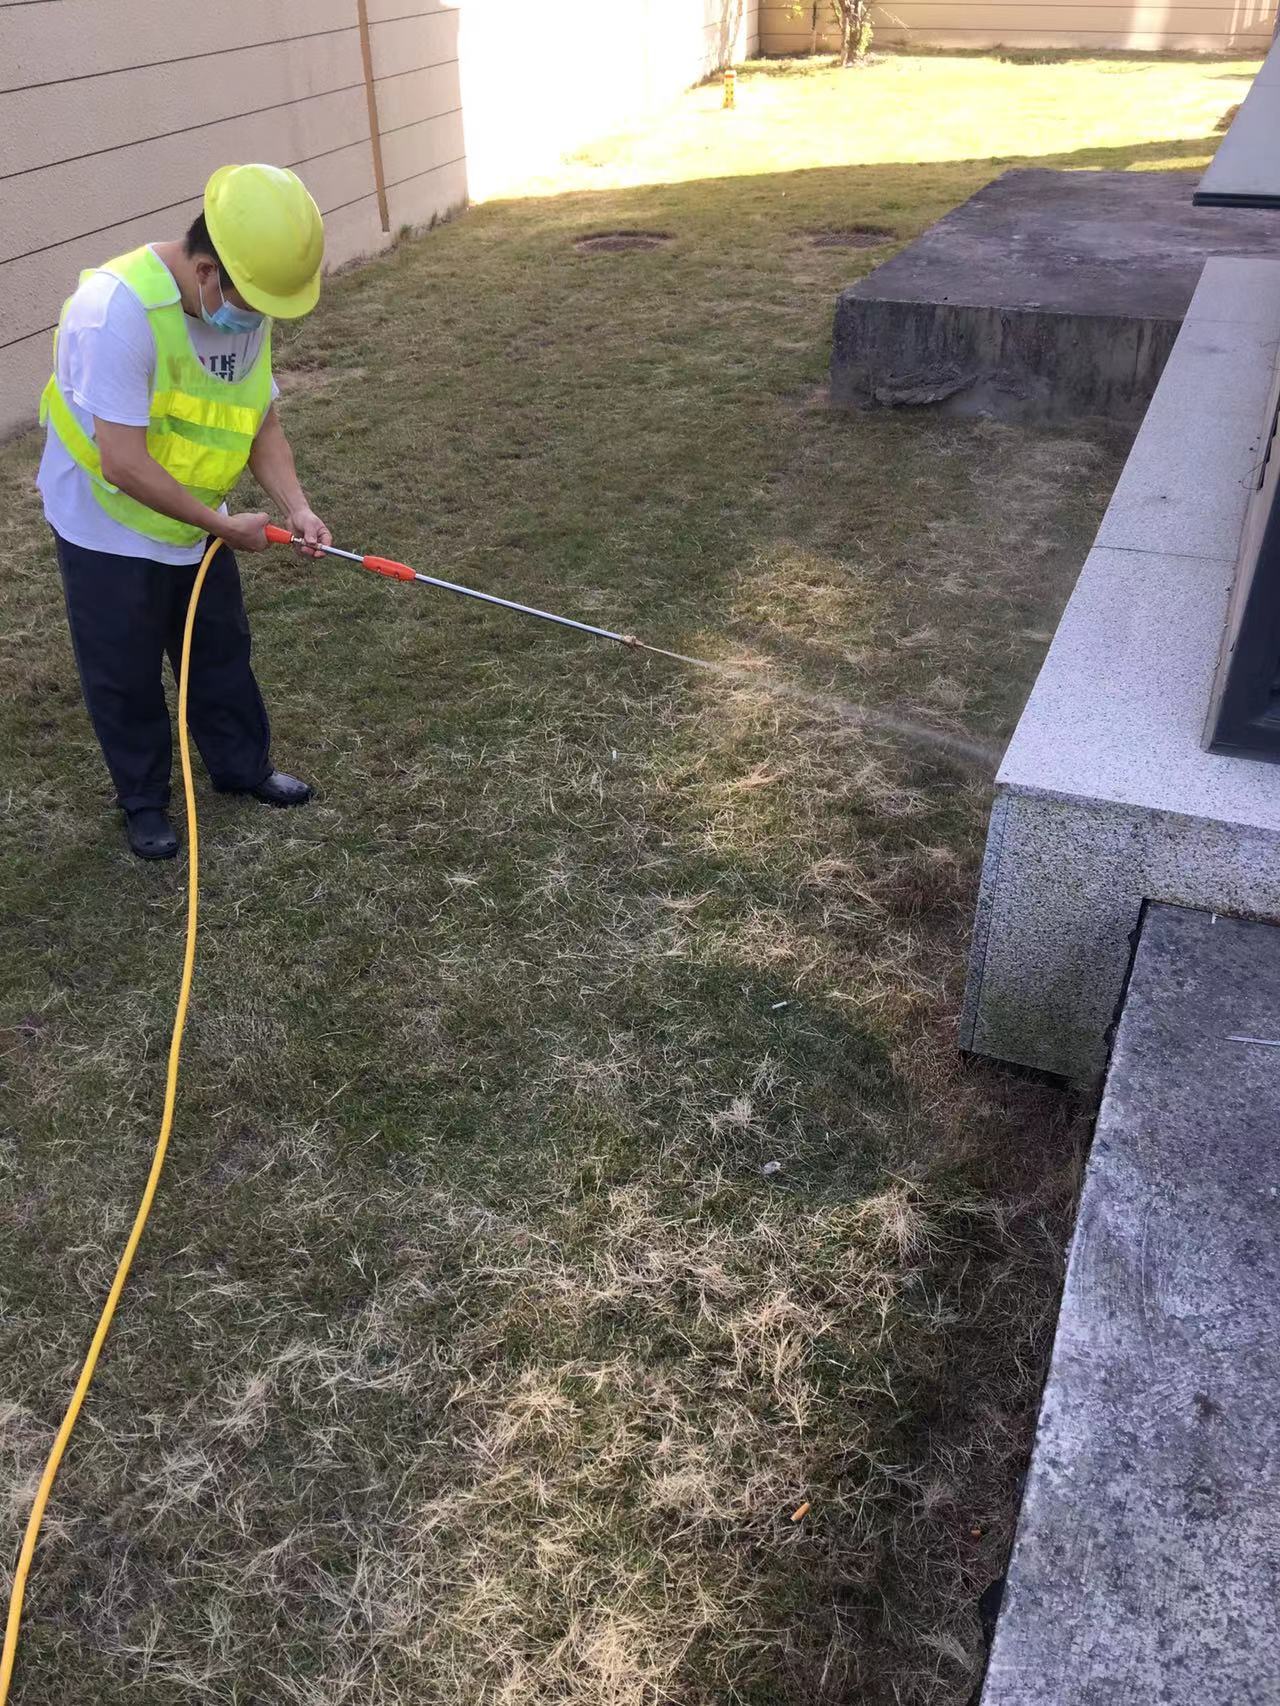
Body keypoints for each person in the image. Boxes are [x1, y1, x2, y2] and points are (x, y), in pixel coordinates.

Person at [37, 162, 332, 860]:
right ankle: (144, 802)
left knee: (219, 651)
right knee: (125, 672)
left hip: (196, 516)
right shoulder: (115, 314)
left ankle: (243, 769)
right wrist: (223, 526)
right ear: (206, 272)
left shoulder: (239, 305)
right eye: (250, 303)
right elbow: (123, 462)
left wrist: (296, 506)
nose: (254, 320)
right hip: (107, 524)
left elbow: (260, 423)